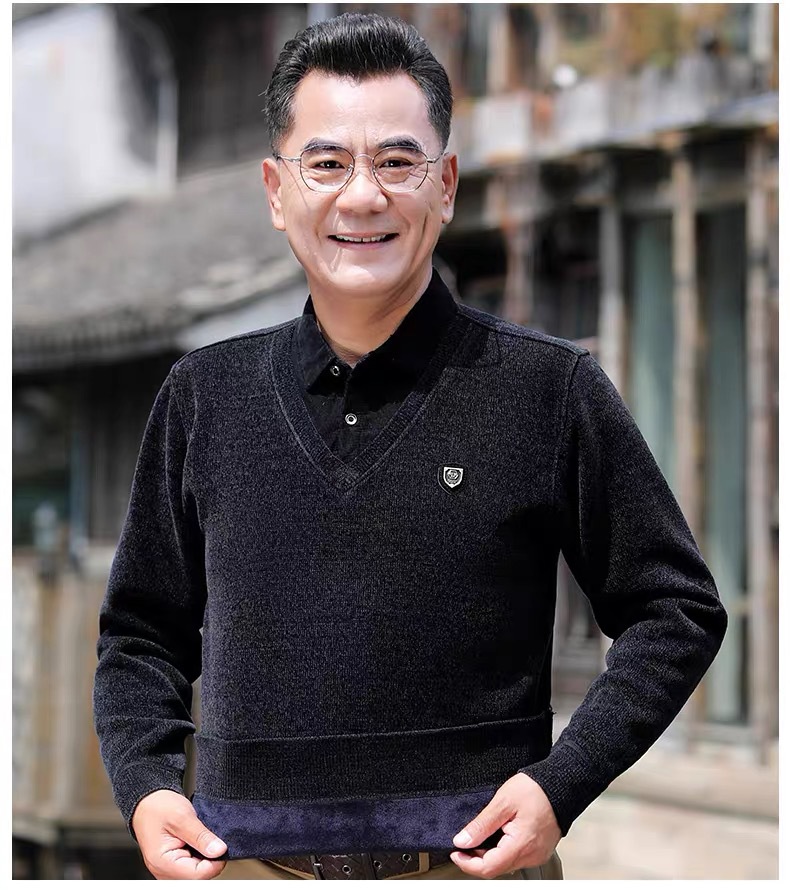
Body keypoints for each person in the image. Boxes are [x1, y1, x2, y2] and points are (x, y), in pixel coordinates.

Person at [93, 12, 728, 882]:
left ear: (447, 185)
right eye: (327, 164)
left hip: (472, 871)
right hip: (244, 869)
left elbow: (675, 609)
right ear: (276, 191)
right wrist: (145, 785)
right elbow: (139, 634)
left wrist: (562, 785)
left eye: (398, 162)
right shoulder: (205, 395)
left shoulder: (546, 389)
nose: (363, 196)